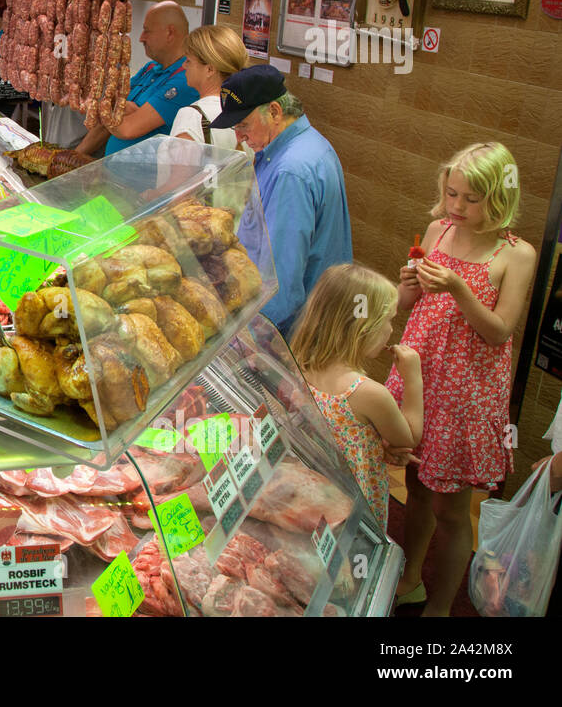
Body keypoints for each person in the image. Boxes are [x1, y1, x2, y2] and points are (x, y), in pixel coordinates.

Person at [387, 142, 537, 617]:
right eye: (451, 193)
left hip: (467, 394)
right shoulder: (438, 230)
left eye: (470, 199)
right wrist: (408, 286)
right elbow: (406, 306)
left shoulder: (517, 254)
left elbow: (499, 332)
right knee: (415, 489)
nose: (456, 206)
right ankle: (409, 578)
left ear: (499, 198)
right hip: (420, 379)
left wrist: (458, 288)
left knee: (452, 512)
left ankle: (441, 606)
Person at [208, 64, 352, 337]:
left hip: (290, 332)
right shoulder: (310, 145)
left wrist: (249, 338)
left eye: (243, 125)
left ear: (274, 111)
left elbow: (281, 280)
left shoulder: (291, 171)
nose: (239, 137)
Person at [289, 264, 424, 526]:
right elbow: (410, 437)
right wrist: (413, 379)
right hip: (355, 501)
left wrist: (374, 443)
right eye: (388, 320)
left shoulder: (300, 361)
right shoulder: (367, 392)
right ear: (364, 327)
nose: (391, 330)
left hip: (315, 484)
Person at [75, 1, 197, 158]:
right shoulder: (149, 68)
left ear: (170, 33)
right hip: (113, 172)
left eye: (147, 31)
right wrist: (75, 155)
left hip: (143, 179)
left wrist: (107, 106)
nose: (141, 38)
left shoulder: (184, 79)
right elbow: (111, 116)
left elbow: (128, 129)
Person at [170, 24, 250, 149]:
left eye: (189, 61)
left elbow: (182, 168)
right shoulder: (249, 110)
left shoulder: (192, 116)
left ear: (210, 69)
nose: (184, 66)